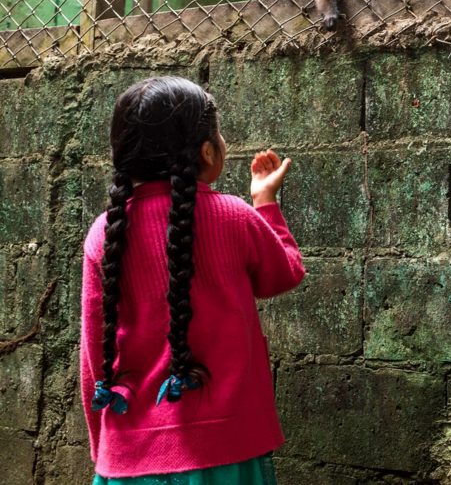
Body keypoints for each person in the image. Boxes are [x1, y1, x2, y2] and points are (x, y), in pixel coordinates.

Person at [80, 76, 306, 485]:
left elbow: (92, 357)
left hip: (129, 456)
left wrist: (106, 451)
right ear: (207, 151)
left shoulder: (104, 232)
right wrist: (265, 203)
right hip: (227, 455)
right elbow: (284, 274)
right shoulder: (235, 217)